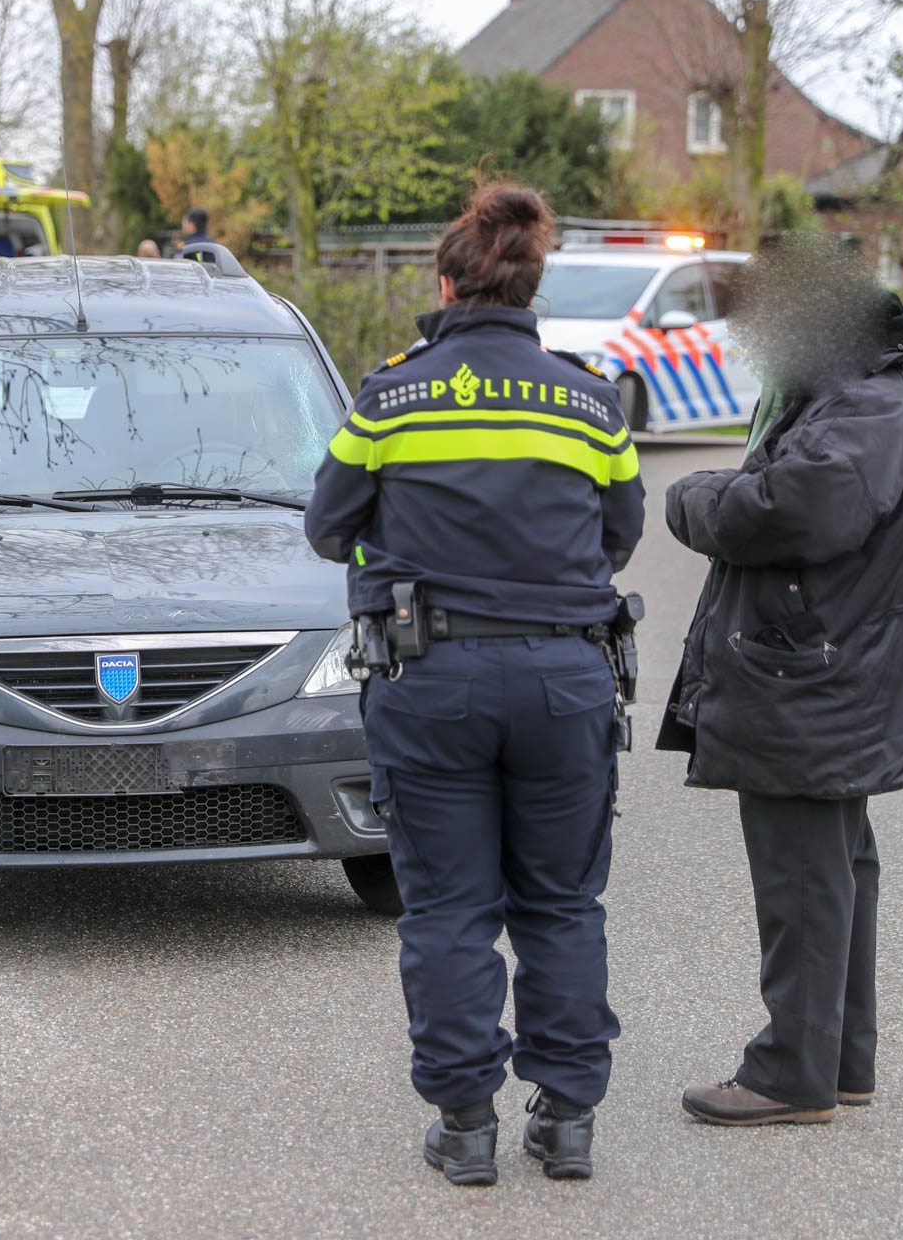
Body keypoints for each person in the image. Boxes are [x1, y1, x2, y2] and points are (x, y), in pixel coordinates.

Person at [304, 178, 644, 1186]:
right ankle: (569, 1117)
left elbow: (328, 527)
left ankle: (464, 1126)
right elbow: (618, 536)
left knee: (450, 907)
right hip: (564, 678)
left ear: (446, 283)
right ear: (530, 287)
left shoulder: (392, 391)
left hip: (432, 676)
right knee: (561, 903)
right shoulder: (590, 396)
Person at [660, 238, 903, 1127]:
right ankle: (838, 1060)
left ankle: (792, 1072)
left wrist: (694, 498)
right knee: (833, 866)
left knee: (803, 872)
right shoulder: (860, 389)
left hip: (814, 676)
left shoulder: (866, 399)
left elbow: (800, 507)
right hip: (830, 667)